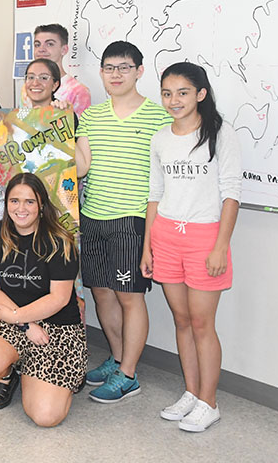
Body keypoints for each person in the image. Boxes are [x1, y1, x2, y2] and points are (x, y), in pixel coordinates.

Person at [141, 62, 241, 432]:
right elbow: (155, 194)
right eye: (167, 93)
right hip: (166, 235)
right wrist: (148, 246)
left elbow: (231, 195)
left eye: (182, 92)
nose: (173, 100)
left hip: (204, 238)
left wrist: (220, 246)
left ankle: (209, 402)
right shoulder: (161, 138)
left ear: (200, 94)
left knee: (202, 323)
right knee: (181, 320)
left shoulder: (220, 133)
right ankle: (192, 392)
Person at [74, 40, 173, 403]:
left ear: (139, 71)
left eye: (123, 67)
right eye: (109, 68)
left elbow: (167, 177)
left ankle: (129, 375)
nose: (115, 74)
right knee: (102, 293)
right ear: (100, 72)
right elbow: (81, 167)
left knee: (130, 298)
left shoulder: (159, 116)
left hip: (131, 219)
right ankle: (117, 359)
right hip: (93, 215)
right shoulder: (91, 117)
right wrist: (57, 127)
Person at [0, 173, 87, 427]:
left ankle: (44, 371)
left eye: (29, 202)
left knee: (46, 417)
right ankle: (9, 372)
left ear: (41, 204)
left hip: (56, 326)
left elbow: (59, 298)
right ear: (7, 203)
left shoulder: (60, 240)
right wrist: (22, 324)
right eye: (15, 201)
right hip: (10, 316)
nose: (21, 208)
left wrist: (19, 318)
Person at [19, 24, 91, 115]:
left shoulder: (78, 91)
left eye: (49, 44)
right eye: (37, 44)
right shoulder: (29, 87)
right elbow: (20, 123)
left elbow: (80, 127)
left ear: (64, 50)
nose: (41, 49)